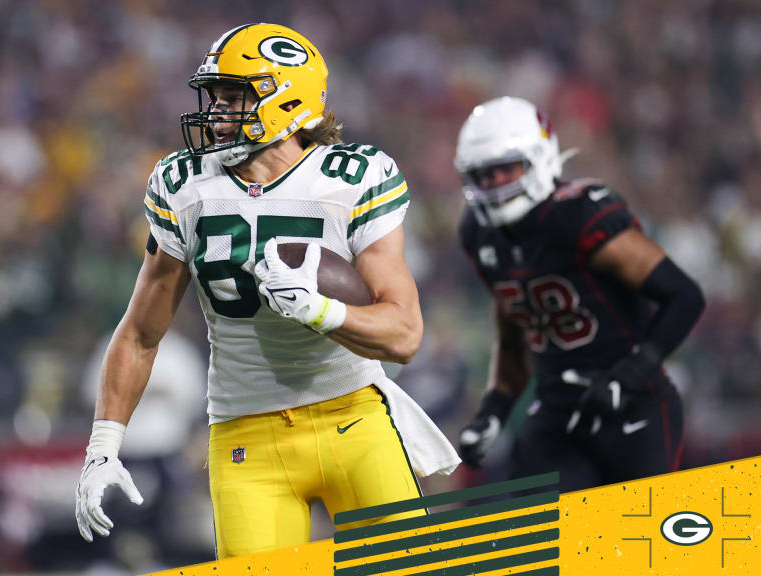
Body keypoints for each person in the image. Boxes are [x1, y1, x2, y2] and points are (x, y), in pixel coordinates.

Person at [74, 23, 459, 558]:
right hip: (245, 438)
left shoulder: (350, 178)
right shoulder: (185, 185)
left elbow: (405, 333)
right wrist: (103, 446)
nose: (217, 113)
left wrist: (323, 311)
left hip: (353, 418)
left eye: (236, 97)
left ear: (287, 101)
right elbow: (140, 333)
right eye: (216, 97)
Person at [454, 97, 705, 492]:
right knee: (539, 546)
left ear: (539, 159)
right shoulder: (479, 234)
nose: (494, 185)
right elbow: (515, 329)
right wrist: (495, 410)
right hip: (556, 411)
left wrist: (631, 374)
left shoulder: (579, 216)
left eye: (506, 169)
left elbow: (684, 296)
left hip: (631, 407)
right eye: (482, 175)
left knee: (641, 543)